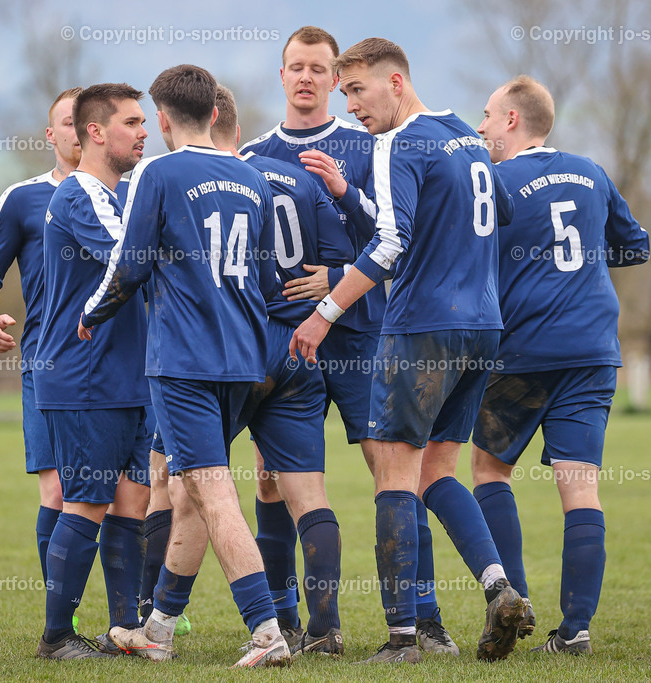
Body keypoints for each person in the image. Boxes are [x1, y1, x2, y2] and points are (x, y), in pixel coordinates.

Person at [289, 37, 527, 664]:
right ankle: (500, 588)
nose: (353, 106)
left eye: (357, 90)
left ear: (395, 83)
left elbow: (391, 244)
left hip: (422, 328)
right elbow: (497, 210)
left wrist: (325, 312)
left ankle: (403, 639)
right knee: (437, 473)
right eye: (346, 94)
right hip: (483, 328)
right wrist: (348, 193)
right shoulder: (464, 135)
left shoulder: (396, 143)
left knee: (393, 476)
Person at [240, 26, 459, 656]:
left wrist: (335, 277)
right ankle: (286, 618)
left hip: (361, 333)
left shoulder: (369, 142)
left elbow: (396, 236)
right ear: (280, 76)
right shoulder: (254, 155)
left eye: (319, 68)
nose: (306, 77)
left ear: (337, 80)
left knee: (393, 473)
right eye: (295, 67)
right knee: (272, 478)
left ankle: (424, 616)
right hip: (288, 341)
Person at [80, 64, 289, 668]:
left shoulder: (158, 172)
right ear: (217, 115)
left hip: (184, 362)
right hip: (243, 357)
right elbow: (268, 280)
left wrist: (92, 313)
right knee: (191, 489)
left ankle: (266, 630)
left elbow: (131, 266)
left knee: (212, 490)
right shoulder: (253, 180)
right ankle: (160, 627)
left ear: (165, 120)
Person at [472, 75, 650, 654]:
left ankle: (511, 599)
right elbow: (636, 246)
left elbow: (468, 258)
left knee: (488, 471)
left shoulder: (496, 181)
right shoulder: (592, 172)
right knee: (580, 489)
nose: (481, 126)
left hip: (523, 351)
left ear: (513, 122)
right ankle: (575, 633)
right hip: (593, 348)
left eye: (488, 115)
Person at [214, 84, 351, 655]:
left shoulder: (215, 183)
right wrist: (331, 281)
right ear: (239, 129)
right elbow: (344, 257)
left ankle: (152, 620)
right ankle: (324, 629)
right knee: (304, 491)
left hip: (239, 347)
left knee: (185, 481)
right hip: (300, 346)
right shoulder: (298, 178)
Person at [33, 82, 154, 660]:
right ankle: (57, 636)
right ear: (96, 133)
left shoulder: (121, 193)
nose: (144, 131)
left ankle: (124, 629)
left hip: (127, 374)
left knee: (132, 503)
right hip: (84, 375)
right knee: (85, 501)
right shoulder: (81, 195)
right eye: (131, 122)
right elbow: (132, 261)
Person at [0, 87, 81, 585]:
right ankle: (62, 622)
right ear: (51, 134)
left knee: (132, 491)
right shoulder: (22, 198)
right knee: (56, 492)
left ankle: (140, 615)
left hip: (126, 364)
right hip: (47, 365)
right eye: (67, 123)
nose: (78, 130)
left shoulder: (135, 193)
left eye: (86, 120)